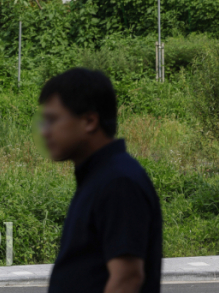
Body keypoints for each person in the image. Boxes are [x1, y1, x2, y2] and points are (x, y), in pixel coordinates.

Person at [39, 68, 162, 293]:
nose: (45, 132)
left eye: (52, 120)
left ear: (89, 121)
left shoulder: (118, 182)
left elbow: (127, 278)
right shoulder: (99, 178)